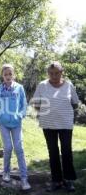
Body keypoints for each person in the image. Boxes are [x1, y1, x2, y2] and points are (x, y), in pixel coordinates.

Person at [32, 61, 79, 192]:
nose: (54, 76)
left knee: (66, 151)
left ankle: (69, 180)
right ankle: (56, 181)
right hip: (48, 124)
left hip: (65, 124)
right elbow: (36, 103)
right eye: (51, 73)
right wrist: (46, 111)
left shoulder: (69, 85)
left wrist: (63, 111)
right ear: (48, 73)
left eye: (57, 73)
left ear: (61, 72)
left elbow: (75, 103)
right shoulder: (42, 85)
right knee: (53, 152)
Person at [0, 64, 31, 191]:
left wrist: (20, 115)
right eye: (5, 74)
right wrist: (0, 115)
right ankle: (6, 172)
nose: (8, 76)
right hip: (3, 123)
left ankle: (24, 179)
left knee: (19, 149)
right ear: (2, 75)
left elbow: (24, 105)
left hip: (16, 124)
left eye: (10, 74)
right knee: (8, 148)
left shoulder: (19, 88)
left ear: (14, 75)